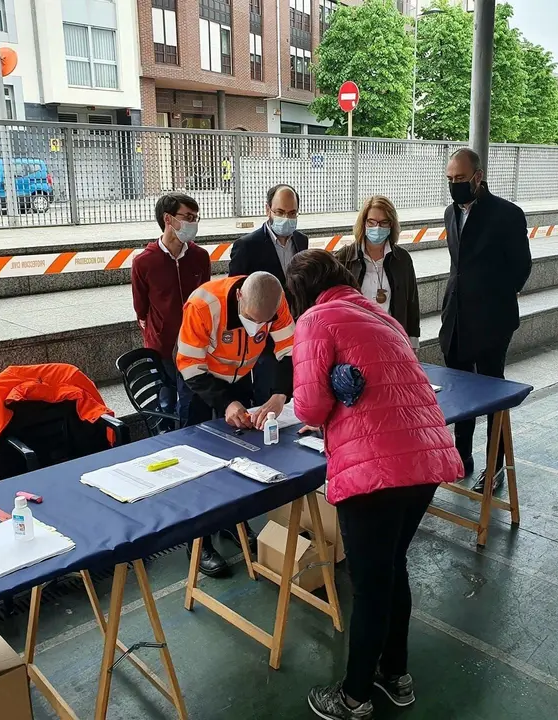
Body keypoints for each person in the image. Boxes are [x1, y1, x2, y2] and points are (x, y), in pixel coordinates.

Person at [288, 250, 463, 720]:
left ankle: (354, 696)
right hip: (424, 459)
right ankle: (395, 673)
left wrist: (326, 389)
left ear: (300, 293)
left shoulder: (315, 319)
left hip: (375, 470)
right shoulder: (378, 315)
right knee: (391, 569)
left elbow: (306, 409)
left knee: (368, 585)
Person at [175, 271, 295, 576]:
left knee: (241, 458)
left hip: (241, 378)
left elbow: (288, 351)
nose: (258, 326)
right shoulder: (203, 305)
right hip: (199, 385)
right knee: (199, 465)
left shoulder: (276, 301)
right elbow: (189, 365)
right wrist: (225, 402)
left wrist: (280, 395)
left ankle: (232, 524)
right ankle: (198, 543)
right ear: (239, 296)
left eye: (263, 322)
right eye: (252, 319)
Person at [441, 148, 531, 493]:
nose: (454, 185)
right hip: (457, 318)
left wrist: (495, 296)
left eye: (460, 179)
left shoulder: (507, 214)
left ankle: (495, 467)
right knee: (460, 390)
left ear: (478, 176)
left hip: (493, 318)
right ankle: (460, 456)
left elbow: (521, 266)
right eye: (449, 179)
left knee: (493, 394)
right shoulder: (450, 212)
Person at [131, 193, 211, 425]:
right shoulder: (144, 262)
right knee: (165, 403)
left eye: (196, 217)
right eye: (187, 217)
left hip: (194, 345)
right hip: (162, 347)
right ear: (168, 219)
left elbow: (205, 298)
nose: (192, 223)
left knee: (191, 405)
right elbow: (141, 308)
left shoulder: (200, 257)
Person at [229, 185, 309, 404]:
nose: (286, 218)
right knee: (268, 398)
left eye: (292, 213)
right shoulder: (246, 246)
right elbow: (237, 295)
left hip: (297, 334)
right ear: (268, 210)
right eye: (280, 212)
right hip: (264, 339)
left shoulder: (302, 241)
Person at [334, 195, 420, 348]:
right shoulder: (344, 258)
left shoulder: (402, 259)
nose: (377, 227)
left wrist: (412, 344)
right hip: (355, 343)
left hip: (393, 341)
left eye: (383, 222)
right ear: (363, 223)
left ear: (391, 225)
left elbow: (412, 303)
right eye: (371, 222)